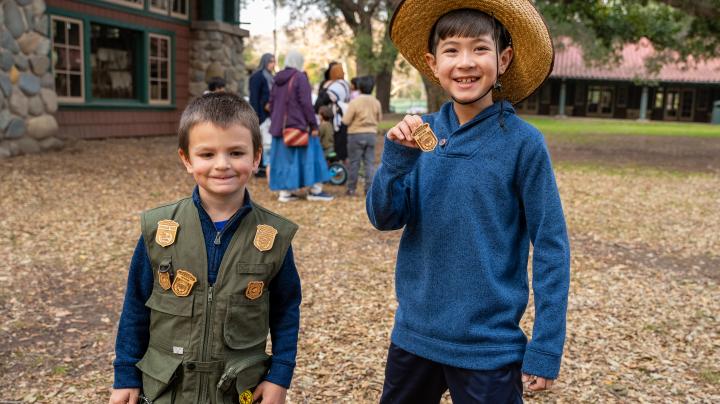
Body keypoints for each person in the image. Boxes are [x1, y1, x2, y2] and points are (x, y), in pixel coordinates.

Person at [367, 2, 570, 403]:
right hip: (415, 335)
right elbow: (384, 217)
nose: (465, 63)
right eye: (452, 50)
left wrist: (546, 346)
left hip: (489, 346)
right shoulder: (420, 134)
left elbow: (551, 245)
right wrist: (395, 161)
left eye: (480, 49)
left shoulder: (523, 144)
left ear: (504, 58)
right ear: (432, 62)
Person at [109, 93, 301, 404]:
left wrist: (279, 376)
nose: (222, 165)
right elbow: (134, 306)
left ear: (256, 158)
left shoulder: (274, 237)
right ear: (187, 159)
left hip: (238, 389)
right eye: (207, 154)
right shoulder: (160, 230)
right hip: (168, 390)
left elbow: (286, 310)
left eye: (236, 152)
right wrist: (125, 375)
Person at [268, 50, 333, 202]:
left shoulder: (277, 80)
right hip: (299, 127)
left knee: (284, 160)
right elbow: (306, 104)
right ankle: (315, 190)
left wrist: (277, 121)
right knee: (312, 156)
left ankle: (285, 193)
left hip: (280, 128)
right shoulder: (300, 77)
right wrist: (314, 125)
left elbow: (271, 104)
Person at [342, 75, 381, 196]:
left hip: (356, 134)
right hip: (371, 134)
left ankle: (351, 188)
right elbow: (379, 118)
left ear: (359, 87)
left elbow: (346, 120)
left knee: (354, 162)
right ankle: (369, 189)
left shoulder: (355, 102)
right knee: (369, 162)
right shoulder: (376, 102)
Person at [249, 53, 276, 177]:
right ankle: (261, 168)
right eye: (270, 61)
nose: (273, 64)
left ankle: (266, 167)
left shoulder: (271, 77)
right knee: (262, 143)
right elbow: (254, 98)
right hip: (261, 115)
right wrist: (256, 116)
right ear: (264, 61)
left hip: (270, 115)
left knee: (267, 143)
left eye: (274, 61)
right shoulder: (257, 77)